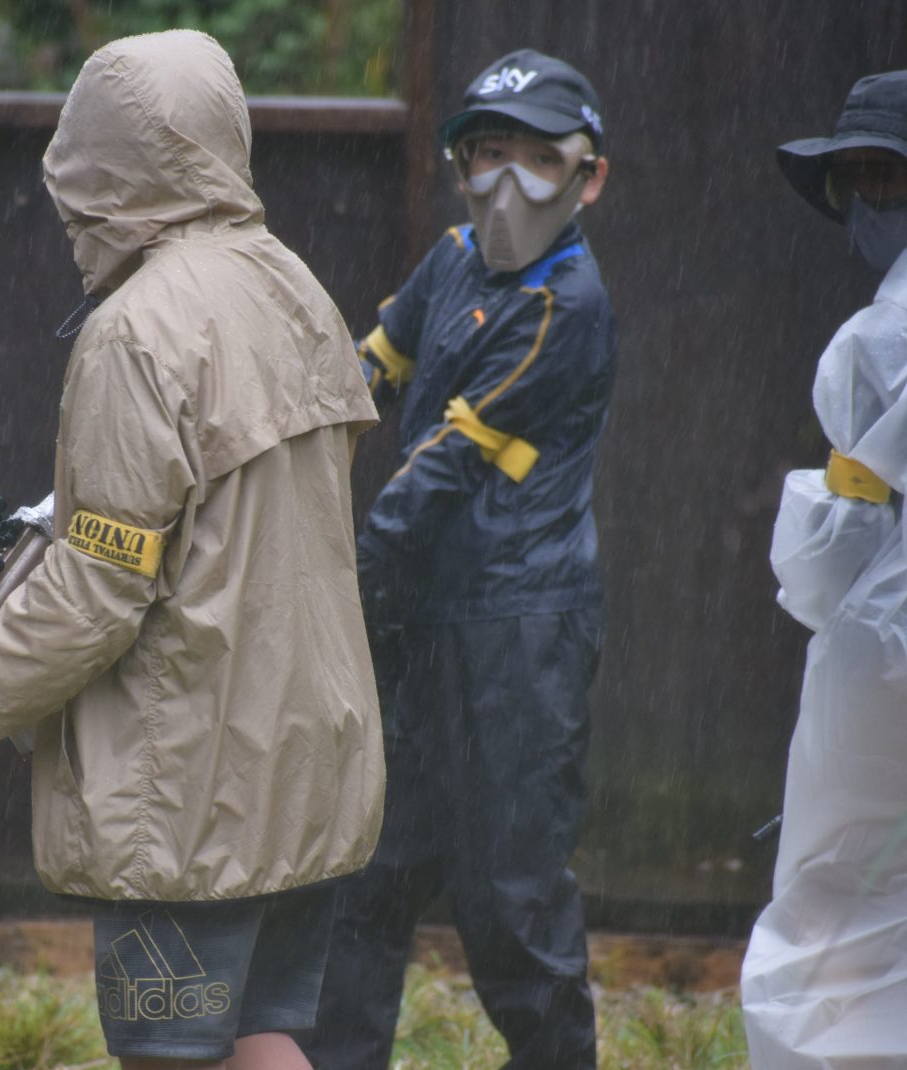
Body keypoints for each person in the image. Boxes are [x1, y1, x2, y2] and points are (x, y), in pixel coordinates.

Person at [0, 29, 385, 1070]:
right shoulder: (294, 290)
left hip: (191, 787)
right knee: (260, 1035)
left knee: (172, 1053)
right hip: (304, 759)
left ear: (102, 174)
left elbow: (99, 586)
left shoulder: (138, 329)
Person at [301, 48, 616, 1070]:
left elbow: (436, 476)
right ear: (460, 163)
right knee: (365, 874)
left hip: (515, 635)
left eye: (540, 159)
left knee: (510, 900)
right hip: (418, 624)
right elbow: (354, 379)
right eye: (488, 153)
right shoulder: (450, 260)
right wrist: (259, 453)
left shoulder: (564, 305)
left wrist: (326, 584)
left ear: (588, 177)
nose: (508, 182)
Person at [739, 71, 907, 1069]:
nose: (871, 206)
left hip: (885, 654)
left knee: (837, 910)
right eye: (858, 182)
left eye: (889, 179)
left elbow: (831, 556)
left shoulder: (877, 341)